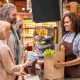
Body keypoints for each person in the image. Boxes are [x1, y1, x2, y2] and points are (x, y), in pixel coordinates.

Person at [55, 12, 80, 79]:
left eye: (67, 22)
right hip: (64, 73)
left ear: (74, 22)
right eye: (64, 22)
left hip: (76, 75)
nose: (64, 24)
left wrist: (63, 64)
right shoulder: (65, 36)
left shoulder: (78, 37)